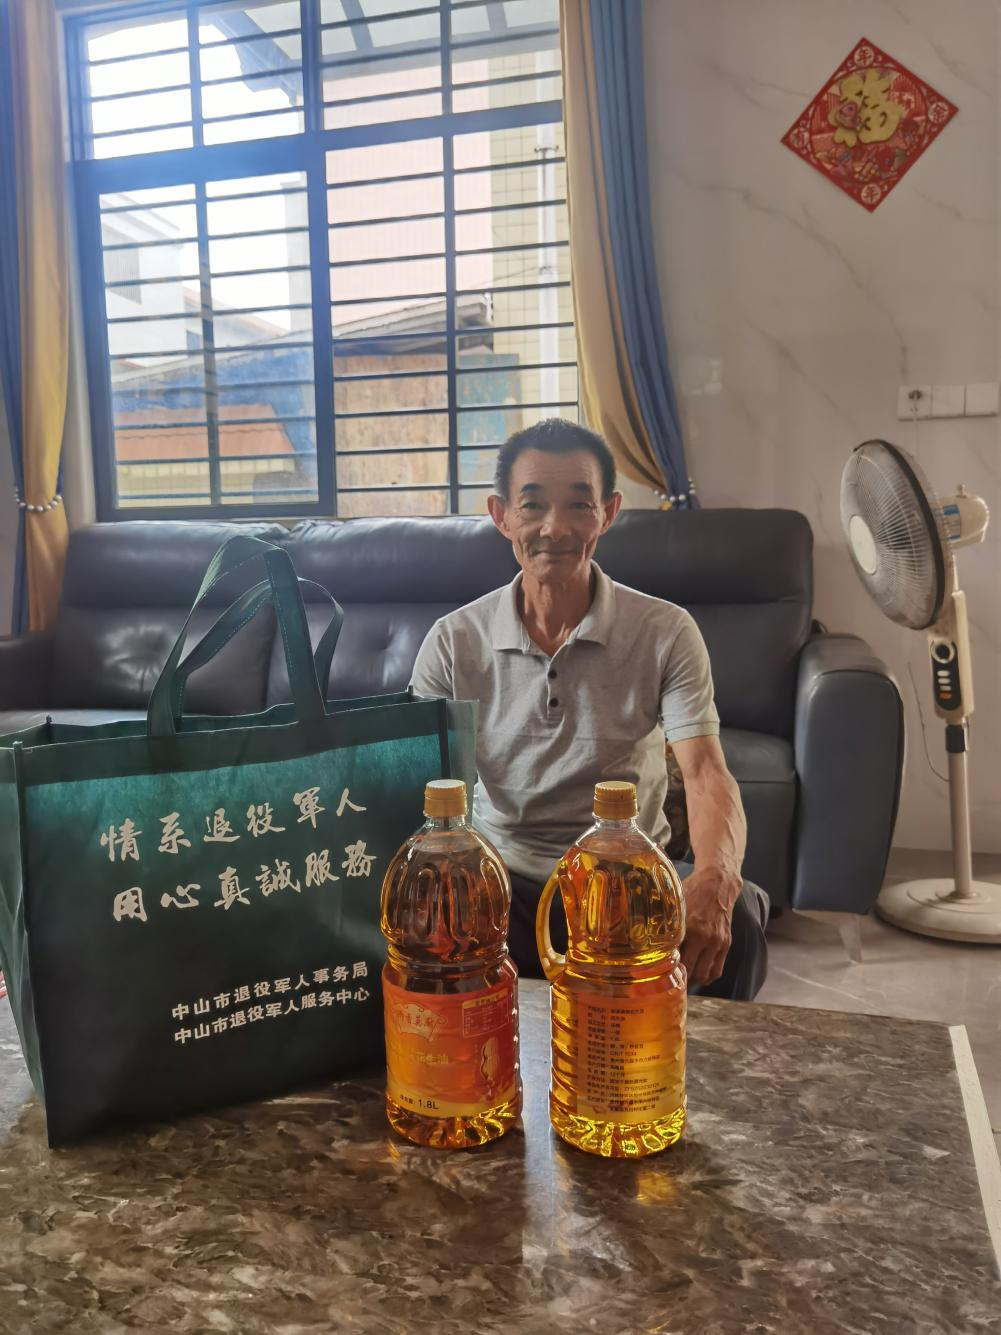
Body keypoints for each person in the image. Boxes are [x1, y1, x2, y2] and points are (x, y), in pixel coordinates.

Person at [410, 419, 767, 1000]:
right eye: (533, 505)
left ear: (608, 513)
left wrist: (717, 876)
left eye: (579, 504)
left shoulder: (666, 631)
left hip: (626, 883)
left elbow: (705, 771)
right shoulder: (453, 641)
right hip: (501, 885)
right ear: (501, 516)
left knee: (740, 922)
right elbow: (417, 786)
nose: (555, 528)